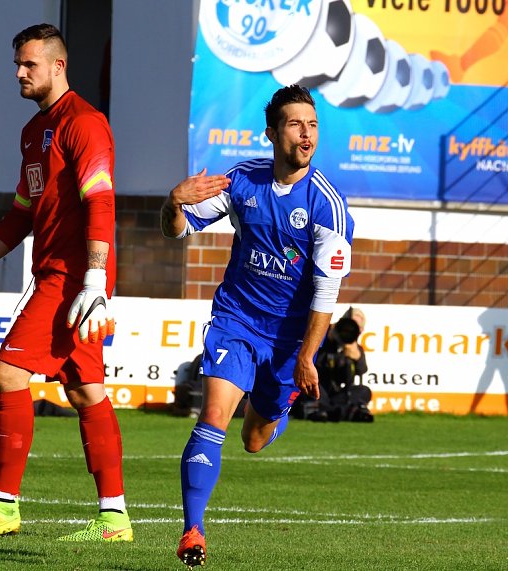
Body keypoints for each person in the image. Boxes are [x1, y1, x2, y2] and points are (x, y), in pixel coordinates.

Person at [0, 23, 131, 542]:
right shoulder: (33, 131)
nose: (20, 73)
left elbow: (101, 202)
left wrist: (93, 281)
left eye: (29, 64)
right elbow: (22, 214)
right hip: (64, 275)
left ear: (58, 66)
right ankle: (114, 518)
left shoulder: (85, 123)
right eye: (17, 65)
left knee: (8, 373)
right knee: (87, 391)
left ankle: (3, 505)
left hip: (72, 280)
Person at [161, 84, 354, 568]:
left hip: (290, 343)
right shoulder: (242, 180)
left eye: (312, 124)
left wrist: (307, 357)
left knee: (253, 440)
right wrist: (173, 202)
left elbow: (326, 294)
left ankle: (277, 405)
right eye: (295, 124)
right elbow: (178, 228)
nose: (306, 134)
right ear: (271, 133)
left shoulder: (327, 205)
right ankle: (192, 530)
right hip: (237, 321)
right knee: (212, 419)